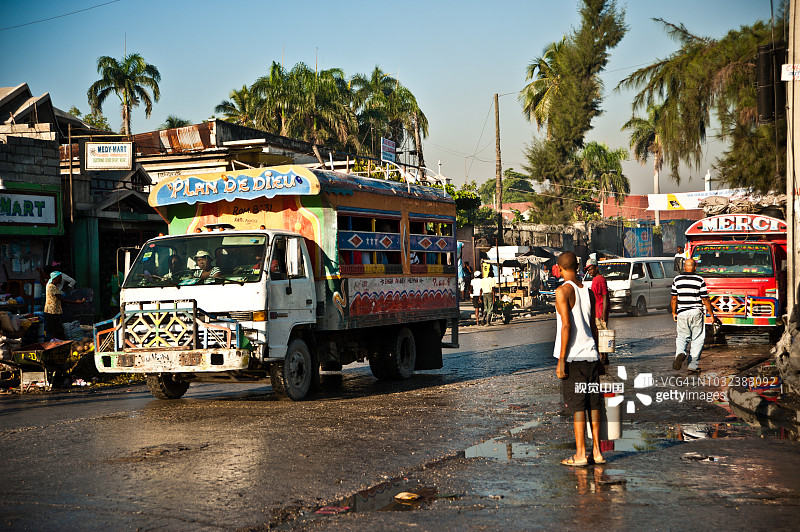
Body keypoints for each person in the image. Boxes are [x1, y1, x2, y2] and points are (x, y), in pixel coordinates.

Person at [553, 251, 604, 467]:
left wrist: (561, 359)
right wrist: (600, 355)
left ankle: (581, 454)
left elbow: (566, 326)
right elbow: (593, 326)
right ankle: (597, 452)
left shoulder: (562, 291)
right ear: (577, 266)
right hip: (591, 355)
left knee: (578, 407)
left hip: (574, 358)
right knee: (594, 405)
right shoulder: (588, 291)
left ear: (559, 268)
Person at [671, 258, 719, 373]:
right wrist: (712, 315)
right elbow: (705, 299)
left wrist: (674, 312)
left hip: (682, 313)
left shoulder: (677, 279)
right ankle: (692, 365)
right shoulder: (699, 280)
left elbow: (673, 298)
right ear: (695, 267)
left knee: (682, 337)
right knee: (697, 339)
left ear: (684, 267)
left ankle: (680, 353)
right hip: (696, 312)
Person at [44, 271, 85, 341]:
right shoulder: (52, 286)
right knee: (55, 331)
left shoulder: (50, 285)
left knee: (55, 330)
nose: (61, 280)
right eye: (59, 278)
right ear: (54, 278)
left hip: (51, 311)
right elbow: (61, 299)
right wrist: (76, 302)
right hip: (52, 312)